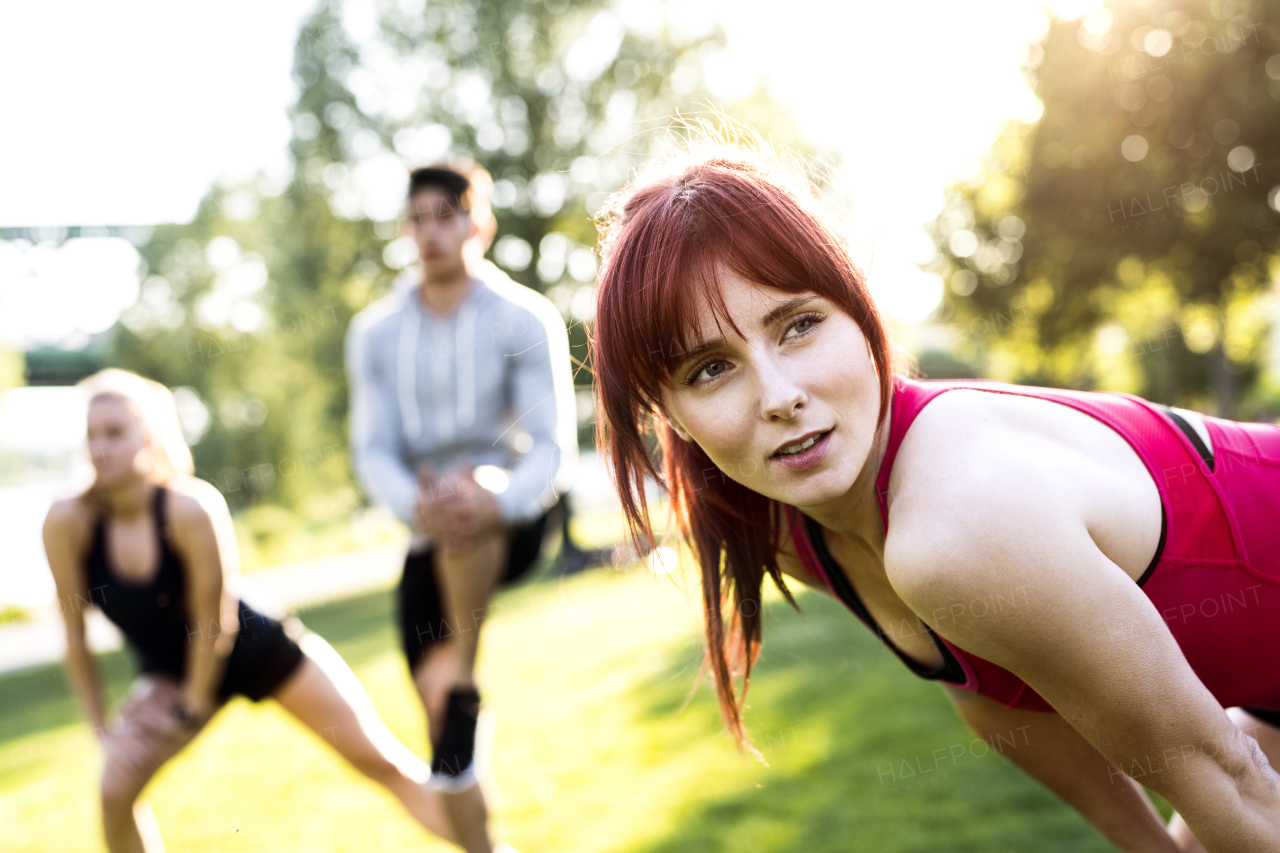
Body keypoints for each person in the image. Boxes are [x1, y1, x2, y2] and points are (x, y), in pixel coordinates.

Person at [588, 139, 1280, 853]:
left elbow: (1229, 776)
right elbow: (990, 688)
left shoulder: (958, 518)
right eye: (709, 369)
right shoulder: (790, 532)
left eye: (798, 324)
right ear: (667, 414)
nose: (779, 396)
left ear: (859, 311)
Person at [41, 368, 482, 853]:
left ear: (149, 436)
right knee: (114, 792)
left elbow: (217, 622)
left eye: (115, 432)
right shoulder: (68, 523)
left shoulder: (191, 509)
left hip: (254, 647)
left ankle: (490, 849)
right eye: (91, 435)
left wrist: (192, 706)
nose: (100, 447)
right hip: (171, 670)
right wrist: (102, 729)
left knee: (379, 760)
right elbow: (75, 638)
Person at [345, 158, 584, 844]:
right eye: (417, 218)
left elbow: (550, 448)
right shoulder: (375, 332)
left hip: (514, 516)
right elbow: (374, 451)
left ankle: (467, 674)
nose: (430, 232)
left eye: (445, 215)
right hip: (429, 528)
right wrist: (417, 505)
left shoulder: (524, 317)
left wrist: (496, 495)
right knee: (439, 717)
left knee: (467, 491)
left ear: (478, 221)